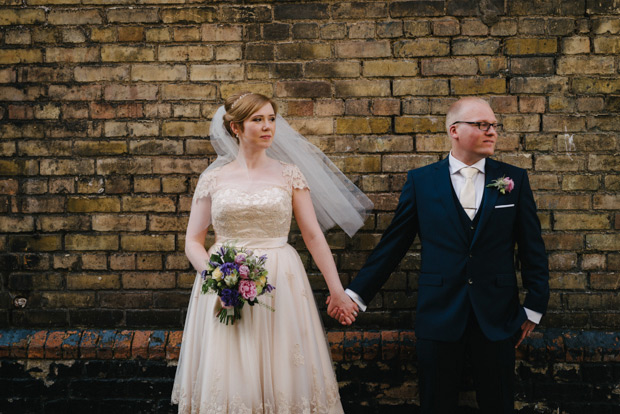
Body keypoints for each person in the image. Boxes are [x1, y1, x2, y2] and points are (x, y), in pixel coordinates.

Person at [333, 97, 550, 413]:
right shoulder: (422, 182)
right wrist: (355, 295)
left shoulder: (513, 179)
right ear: (455, 130)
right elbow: (393, 245)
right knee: (436, 403)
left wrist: (534, 306)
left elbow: (532, 246)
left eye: (494, 125)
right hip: (439, 313)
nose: (492, 132)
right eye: (481, 125)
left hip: (498, 314)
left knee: (499, 403)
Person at [171, 92, 371, 413]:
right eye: (258, 120)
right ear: (236, 127)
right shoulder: (213, 178)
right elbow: (193, 241)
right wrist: (217, 280)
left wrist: (336, 291)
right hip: (225, 280)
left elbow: (313, 235)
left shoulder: (289, 174)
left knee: (283, 368)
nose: (268, 127)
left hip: (280, 279)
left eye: (272, 119)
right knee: (233, 369)